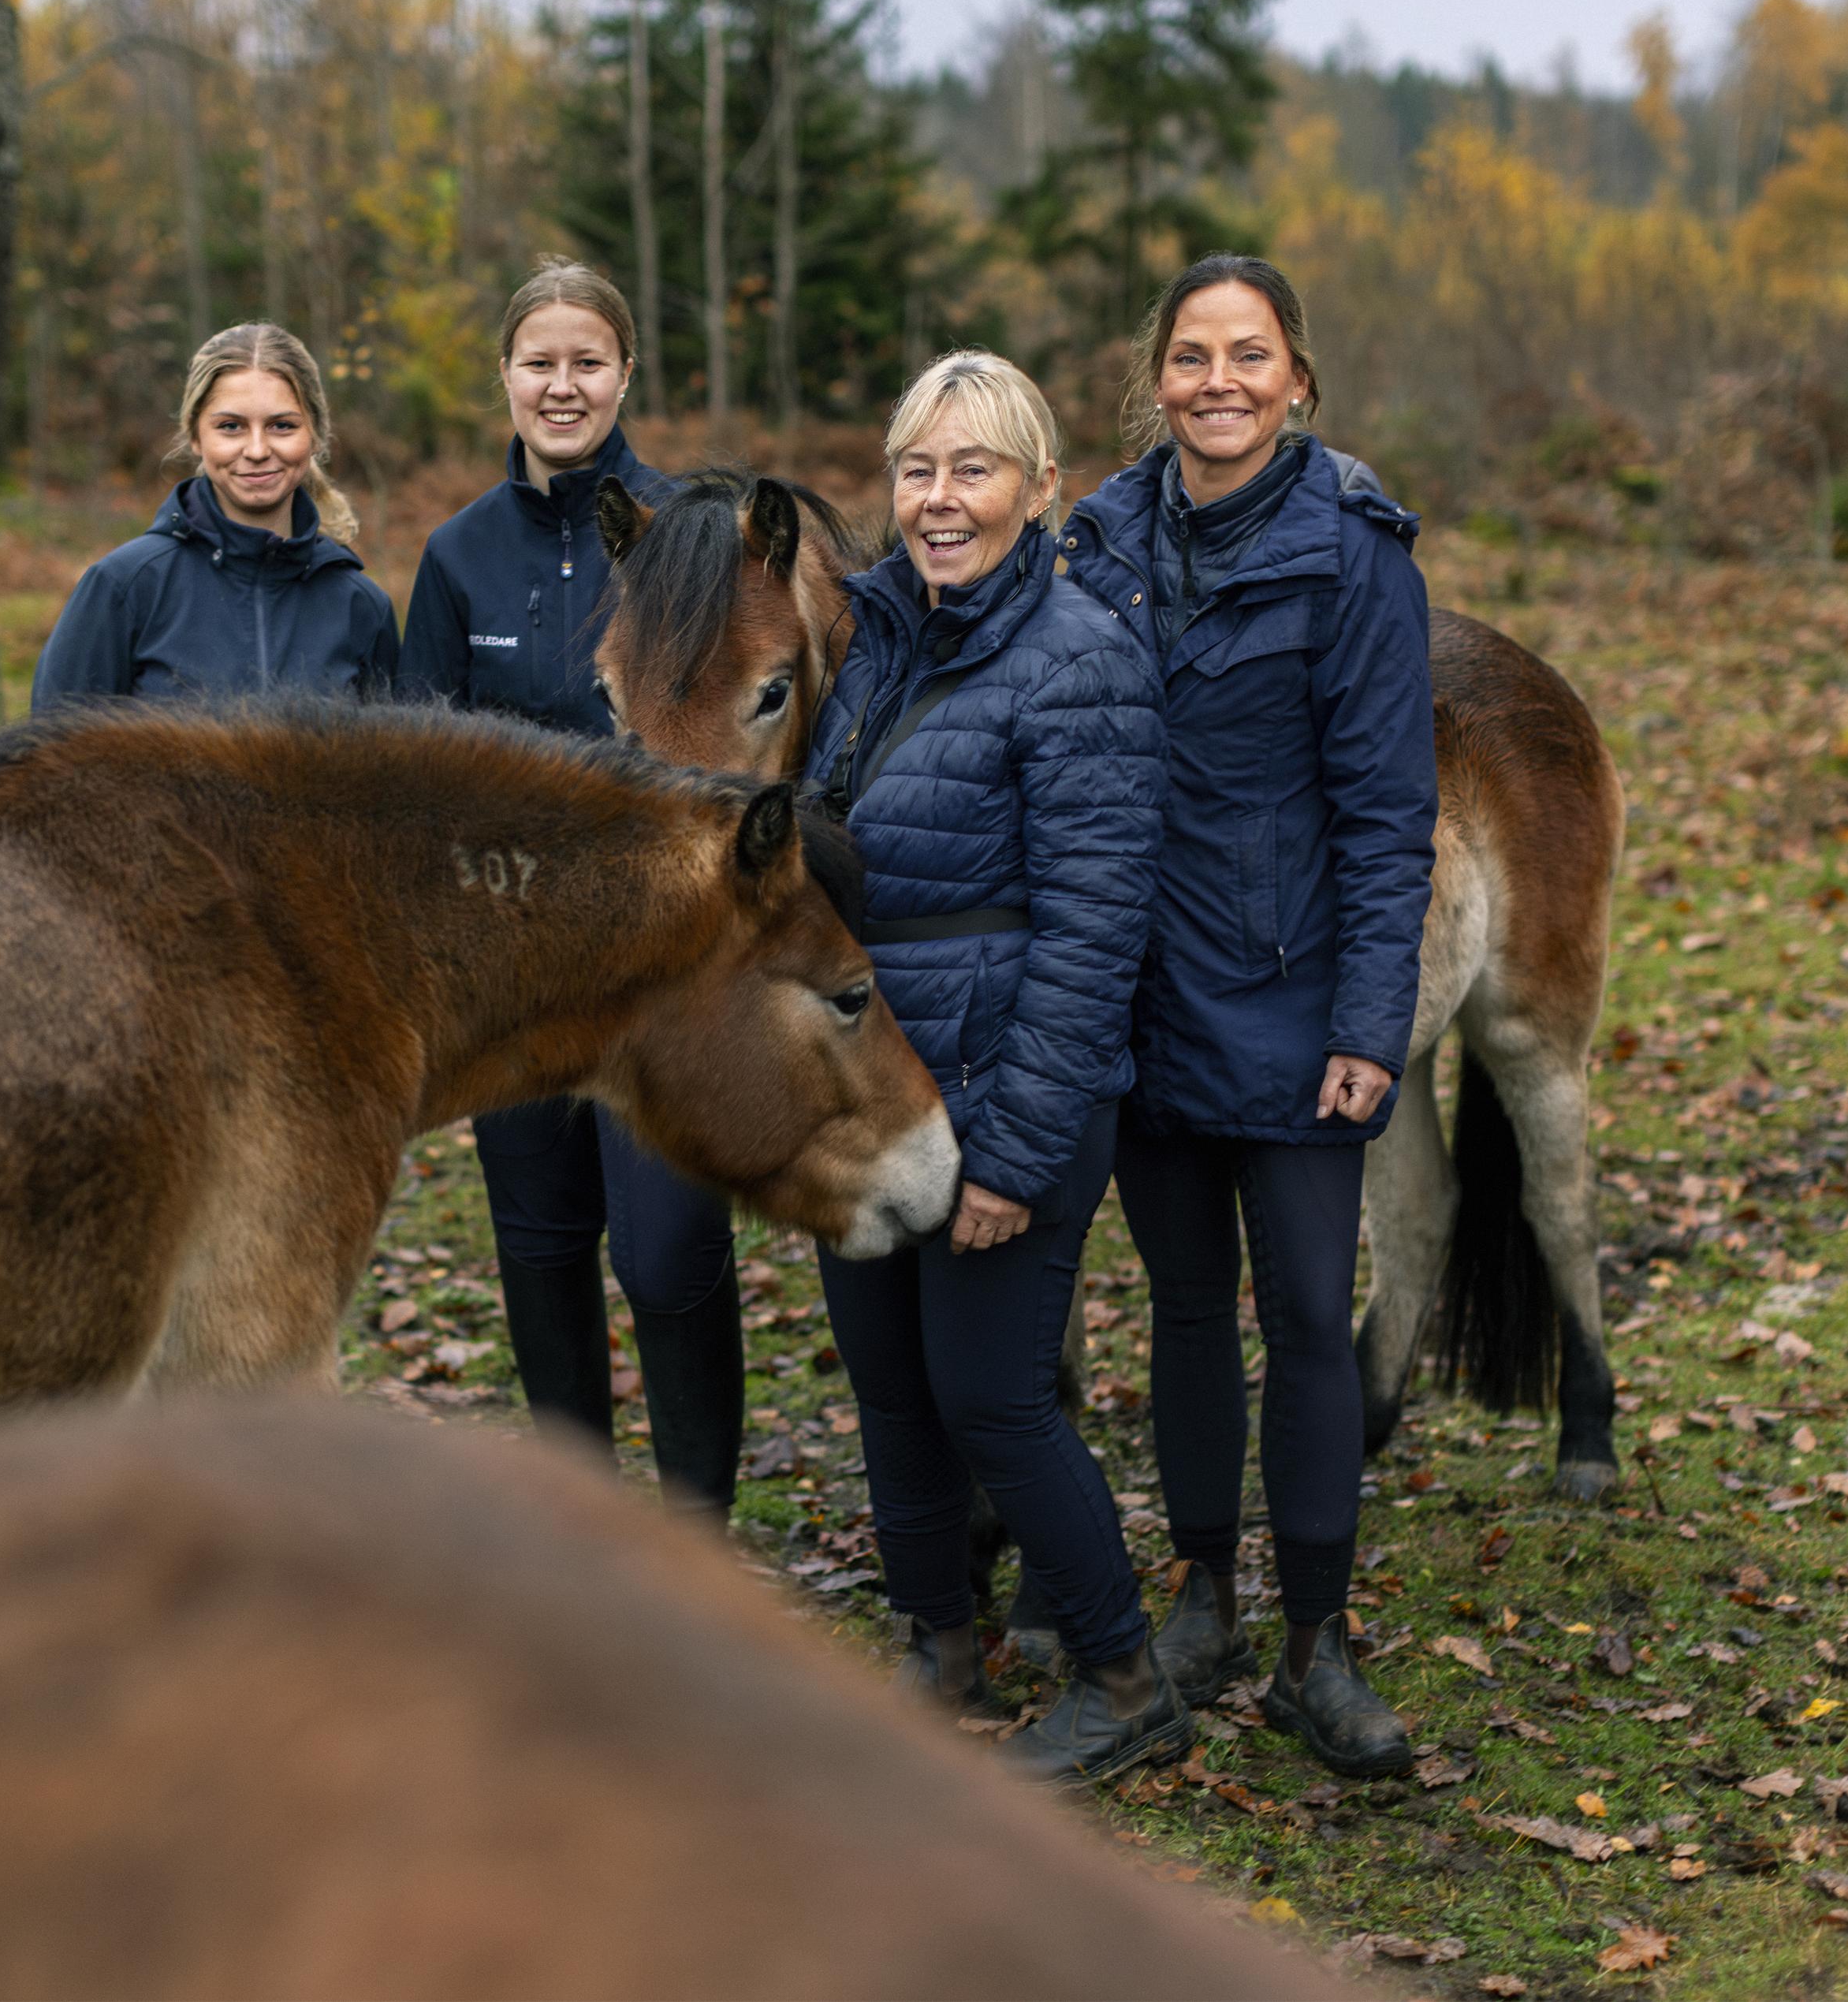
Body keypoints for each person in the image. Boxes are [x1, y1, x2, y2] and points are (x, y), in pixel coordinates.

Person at [1058, 255, 1437, 1780]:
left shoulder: (1354, 554)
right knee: (1182, 1305)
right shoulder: (1092, 540)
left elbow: (1389, 813)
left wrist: (1369, 1019)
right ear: (1155, 378)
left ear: (1297, 381)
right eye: (1192, 355)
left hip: (1294, 1000)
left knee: (1301, 1314)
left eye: (1250, 355)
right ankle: (1205, 1595)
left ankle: (1316, 1644)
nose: (1219, 380)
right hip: (1142, 991)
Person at [803, 350, 1175, 1784]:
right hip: (871, 1096)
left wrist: (1014, 1153)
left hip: (1004, 1093)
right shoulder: (886, 635)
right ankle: (940, 1639)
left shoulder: (1080, 656)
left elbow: (1094, 934)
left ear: (1039, 487)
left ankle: (1124, 1667)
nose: (940, 497)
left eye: (972, 467)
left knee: (992, 1393)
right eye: (916, 467)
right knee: (888, 1377)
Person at [397, 260, 746, 1516]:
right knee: (544, 1258)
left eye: (585, 361)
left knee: (667, 1260)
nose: (561, 384)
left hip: (665, 978)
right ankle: (582, 1538)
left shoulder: (692, 537)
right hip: (519, 987)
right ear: (505, 376)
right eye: (538, 361)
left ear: (625, 376)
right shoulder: (456, 559)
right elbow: (418, 781)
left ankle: (697, 1532)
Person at [32, 323, 397, 710]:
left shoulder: (361, 608)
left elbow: (387, 765)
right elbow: (53, 756)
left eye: (282, 426)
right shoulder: (125, 587)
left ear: (316, 436)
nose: (257, 449)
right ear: (195, 435)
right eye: (231, 427)